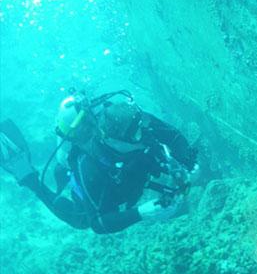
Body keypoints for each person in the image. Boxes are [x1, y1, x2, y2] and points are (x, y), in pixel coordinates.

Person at [0, 91, 199, 234]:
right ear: (111, 140)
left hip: (132, 170)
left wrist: (189, 162)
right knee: (81, 220)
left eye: (141, 128)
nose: (143, 136)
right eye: (135, 135)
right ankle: (30, 178)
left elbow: (173, 136)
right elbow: (100, 223)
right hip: (108, 184)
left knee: (148, 151)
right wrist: (141, 213)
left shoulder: (135, 120)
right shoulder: (87, 165)